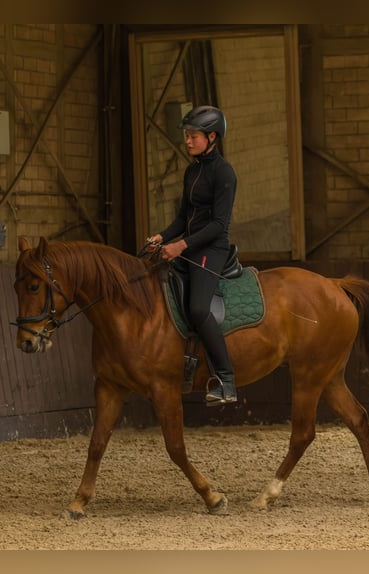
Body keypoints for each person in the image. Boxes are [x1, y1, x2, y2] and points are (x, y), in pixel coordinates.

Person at [147, 105, 238, 405]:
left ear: (212, 137)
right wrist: (162, 237)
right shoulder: (191, 171)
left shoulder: (224, 173)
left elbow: (217, 225)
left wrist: (180, 246)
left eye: (193, 136)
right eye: (186, 136)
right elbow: (182, 219)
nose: (187, 141)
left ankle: (226, 380)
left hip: (211, 250)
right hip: (188, 246)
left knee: (199, 308)